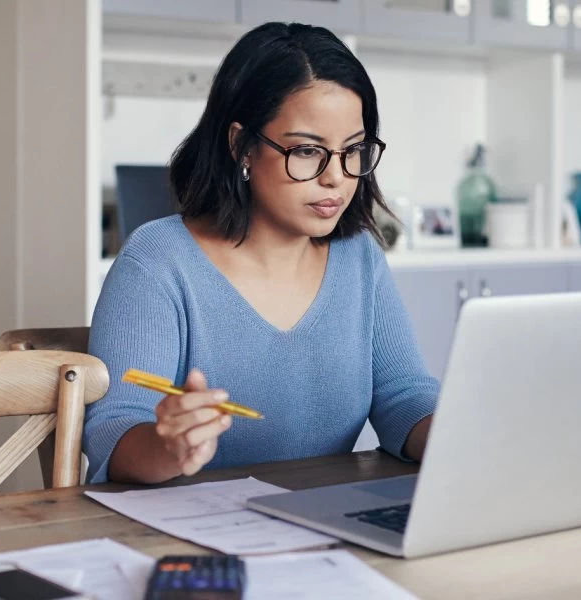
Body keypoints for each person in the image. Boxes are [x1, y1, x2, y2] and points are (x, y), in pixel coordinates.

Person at [84, 22, 439, 485]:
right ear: (242, 146)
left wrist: (464, 435)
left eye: (353, 150)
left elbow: (402, 397)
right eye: (307, 150)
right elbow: (113, 432)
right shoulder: (158, 262)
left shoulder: (359, 258)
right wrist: (167, 446)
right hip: (186, 525)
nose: (336, 177)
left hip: (320, 518)